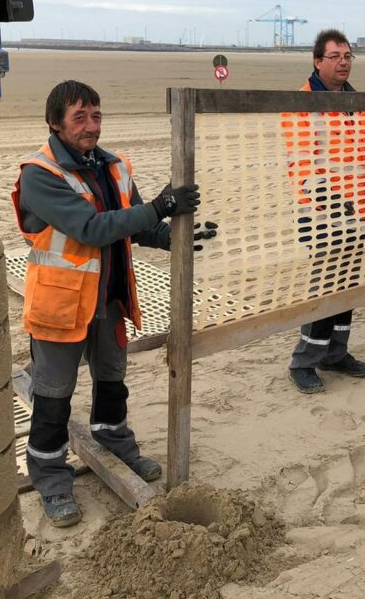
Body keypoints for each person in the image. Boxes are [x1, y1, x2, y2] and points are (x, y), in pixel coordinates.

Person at [12, 80, 214, 527]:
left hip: (109, 297)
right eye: (79, 117)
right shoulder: (39, 174)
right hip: (61, 304)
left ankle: (114, 440)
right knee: (53, 394)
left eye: (96, 115)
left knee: (111, 379)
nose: (90, 125)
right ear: (55, 123)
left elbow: (136, 227)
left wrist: (177, 237)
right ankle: (50, 476)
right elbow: (92, 228)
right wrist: (162, 206)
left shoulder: (115, 166)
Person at [283, 29, 365, 394]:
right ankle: (303, 361)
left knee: (347, 287)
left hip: (359, 211)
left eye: (348, 56)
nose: (343, 62)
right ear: (317, 61)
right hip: (321, 215)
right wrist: (331, 200)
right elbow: (301, 165)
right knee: (324, 289)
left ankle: (336, 353)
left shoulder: (358, 102)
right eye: (335, 56)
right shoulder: (301, 103)